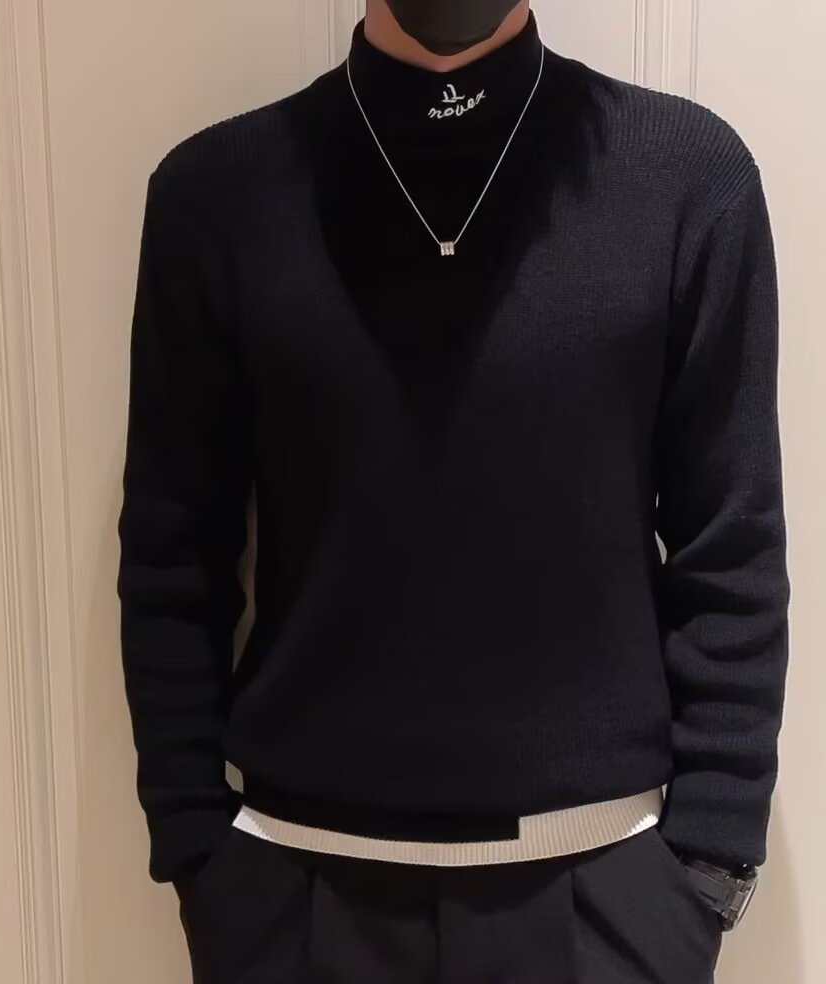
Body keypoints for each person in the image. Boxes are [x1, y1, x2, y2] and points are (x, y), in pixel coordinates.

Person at [118, 1, 789, 980]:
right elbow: (173, 557)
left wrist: (707, 868)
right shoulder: (217, 196)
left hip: (605, 896)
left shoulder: (686, 180)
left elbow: (731, 547)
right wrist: (200, 854)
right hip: (294, 896)